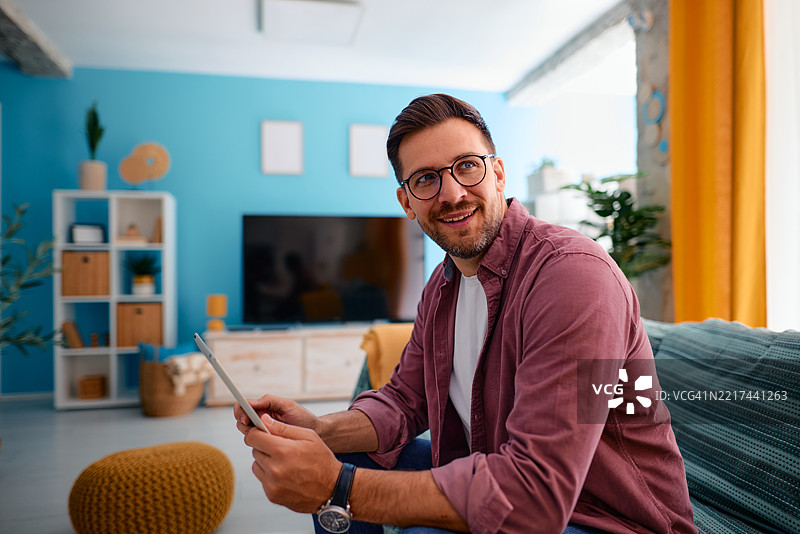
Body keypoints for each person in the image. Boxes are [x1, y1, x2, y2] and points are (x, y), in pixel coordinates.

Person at [236, 94, 696, 534]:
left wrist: (338, 488)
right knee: (351, 457)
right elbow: (404, 400)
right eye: (425, 179)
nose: (452, 193)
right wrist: (320, 429)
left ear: (497, 173)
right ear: (407, 204)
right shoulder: (442, 286)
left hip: (605, 516)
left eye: (467, 167)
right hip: (503, 469)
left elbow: (537, 494)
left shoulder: (574, 275)